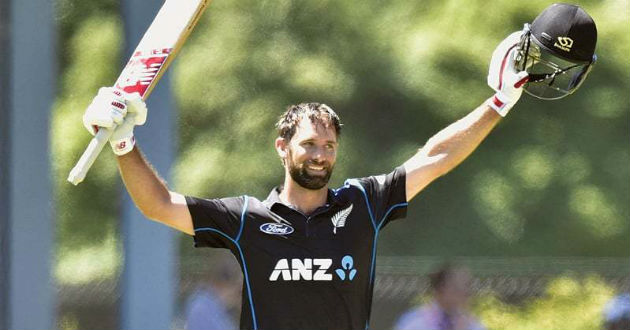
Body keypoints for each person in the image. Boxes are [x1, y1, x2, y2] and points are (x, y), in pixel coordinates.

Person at [80, 3, 597, 330]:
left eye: (328, 145)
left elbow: (435, 157)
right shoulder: (245, 220)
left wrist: (498, 104)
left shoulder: (363, 204)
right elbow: (157, 206)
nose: (321, 154)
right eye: (309, 144)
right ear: (282, 147)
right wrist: (124, 143)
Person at [393, 264, 484, 330]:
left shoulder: (472, 324)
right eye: (457, 288)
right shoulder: (415, 322)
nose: (466, 293)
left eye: (467, 286)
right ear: (440, 289)